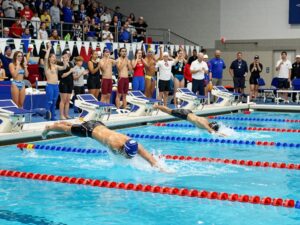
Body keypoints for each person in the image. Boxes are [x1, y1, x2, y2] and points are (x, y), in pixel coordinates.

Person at [41, 120, 164, 171]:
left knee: (71, 126)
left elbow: (150, 158)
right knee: (67, 130)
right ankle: (49, 128)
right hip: (88, 130)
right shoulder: (114, 145)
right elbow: (119, 158)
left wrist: (161, 168)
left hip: (99, 124)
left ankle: (63, 123)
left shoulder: (135, 145)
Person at [154, 105, 225, 136]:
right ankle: (156, 106)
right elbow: (211, 131)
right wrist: (221, 135)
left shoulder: (206, 121)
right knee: (169, 111)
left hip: (189, 112)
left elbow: (211, 129)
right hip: (184, 114)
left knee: (169, 110)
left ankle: (157, 106)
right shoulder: (205, 124)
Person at [44, 42, 64, 120]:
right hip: (50, 85)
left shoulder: (55, 66)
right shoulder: (47, 66)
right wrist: (49, 48)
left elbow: (63, 67)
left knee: (55, 101)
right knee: (50, 101)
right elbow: (45, 58)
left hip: (56, 86)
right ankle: (47, 114)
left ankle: (53, 115)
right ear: (49, 58)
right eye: (53, 57)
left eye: (55, 57)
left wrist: (65, 61)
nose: (54, 58)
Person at [58, 49, 75, 120]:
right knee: (63, 100)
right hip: (63, 83)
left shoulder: (71, 64)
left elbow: (72, 75)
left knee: (68, 100)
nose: (67, 57)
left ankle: (66, 114)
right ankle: (61, 115)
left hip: (70, 83)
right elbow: (62, 75)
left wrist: (74, 73)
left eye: (68, 56)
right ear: (63, 56)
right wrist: (70, 71)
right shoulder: (60, 64)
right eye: (66, 55)